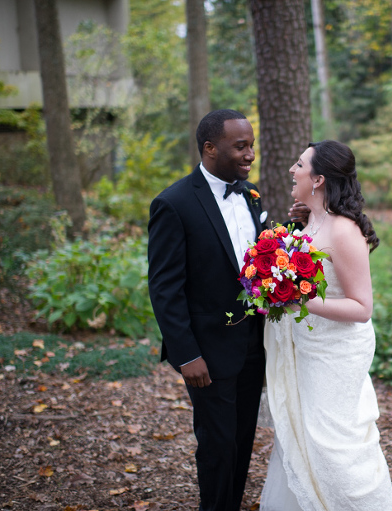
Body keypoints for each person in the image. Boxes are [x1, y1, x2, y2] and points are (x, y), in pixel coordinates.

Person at [260, 140, 392, 510]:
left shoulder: (343, 230)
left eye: (299, 164)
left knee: (335, 445)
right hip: (306, 348)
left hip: (335, 353)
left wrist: (302, 300)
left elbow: (362, 307)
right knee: (301, 436)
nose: (292, 169)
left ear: (318, 179)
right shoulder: (310, 221)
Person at [147, 109, 267, 511]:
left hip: (254, 346)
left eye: (251, 145)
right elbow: (165, 288)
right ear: (210, 148)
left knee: (243, 440)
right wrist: (187, 355)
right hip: (207, 354)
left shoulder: (251, 195)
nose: (250, 154)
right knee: (217, 446)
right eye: (241, 146)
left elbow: (255, 263)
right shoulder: (173, 203)